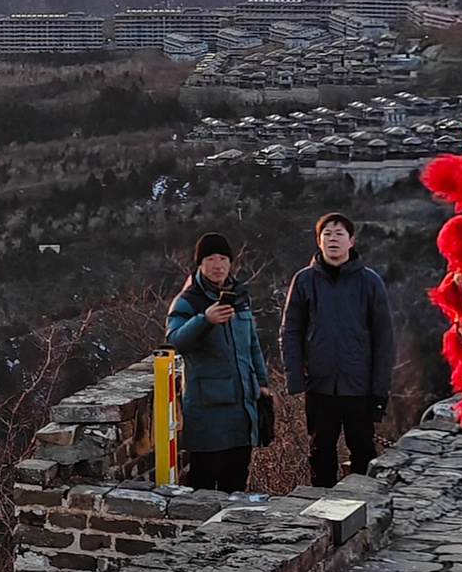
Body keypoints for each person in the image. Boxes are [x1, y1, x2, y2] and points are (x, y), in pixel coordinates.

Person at [281, 211, 400, 488]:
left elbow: (384, 339)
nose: (333, 239)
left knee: (363, 451)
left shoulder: (369, 282)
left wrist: (380, 390)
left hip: (359, 386)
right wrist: (296, 379)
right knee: (320, 452)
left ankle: (363, 506)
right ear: (318, 241)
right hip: (319, 385)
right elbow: (290, 331)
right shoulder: (304, 280)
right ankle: (321, 508)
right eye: (327, 234)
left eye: (339, 234)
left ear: (351, 241)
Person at [163, 234, 265, 492]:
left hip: (243, 408)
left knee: (237, 484)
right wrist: (205, 320)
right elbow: (175, 342)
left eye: (223, 259)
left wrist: (262, 383)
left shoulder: (238, 296)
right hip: (207, 410)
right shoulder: (187, 301)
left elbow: (252, 344)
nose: (218, 265)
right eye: (210, 259)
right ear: (200, 264)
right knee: (204, 485)